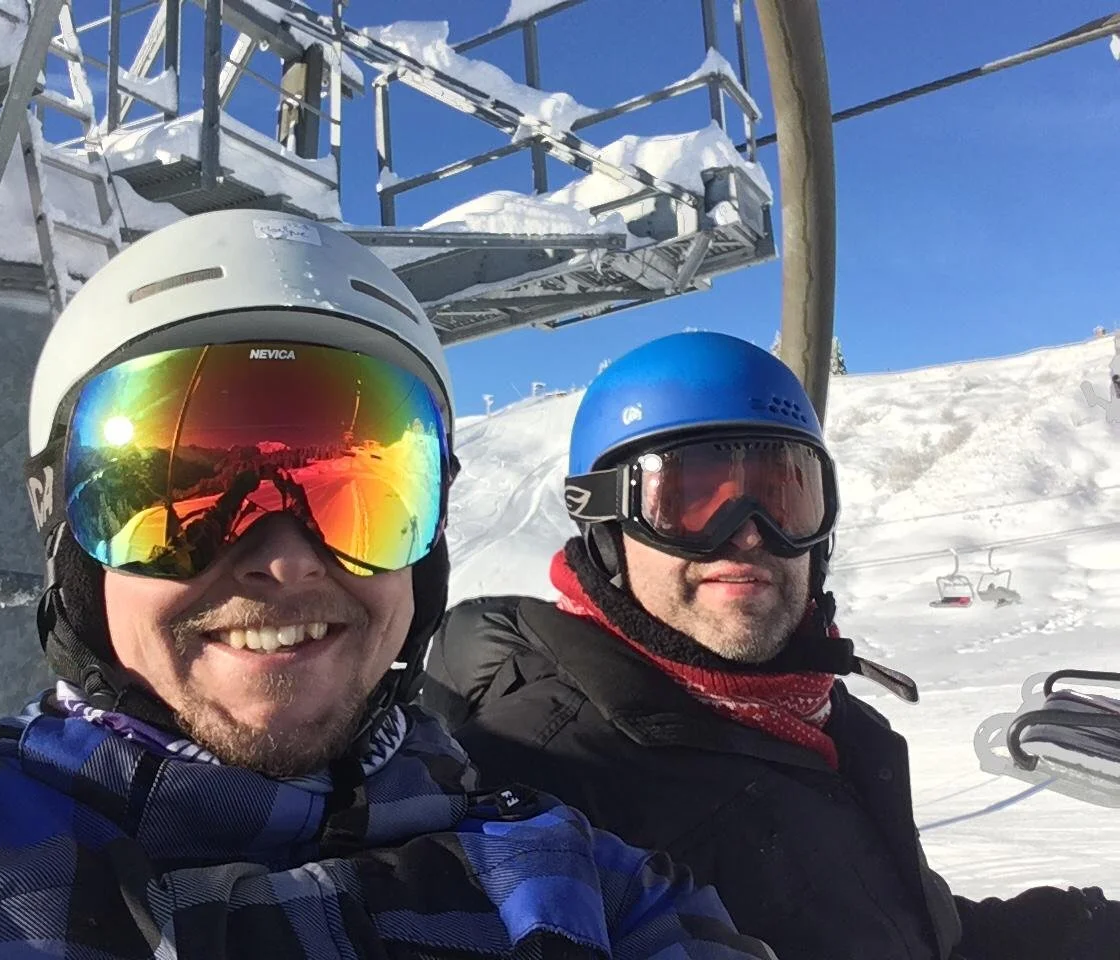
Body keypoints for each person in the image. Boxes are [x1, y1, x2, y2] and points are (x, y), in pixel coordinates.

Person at [0, 213, 780, 960]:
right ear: (73, 542)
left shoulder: (586, 893)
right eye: (180, 492)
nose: (285, 561)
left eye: (357, 496)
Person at [420, 330, 1120, 960]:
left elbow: (905, 934)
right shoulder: (538, 791)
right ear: (604, 523)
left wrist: (1083, 930)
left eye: (784, 497)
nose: (750, 534)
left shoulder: (816, 724)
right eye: (690, 499)